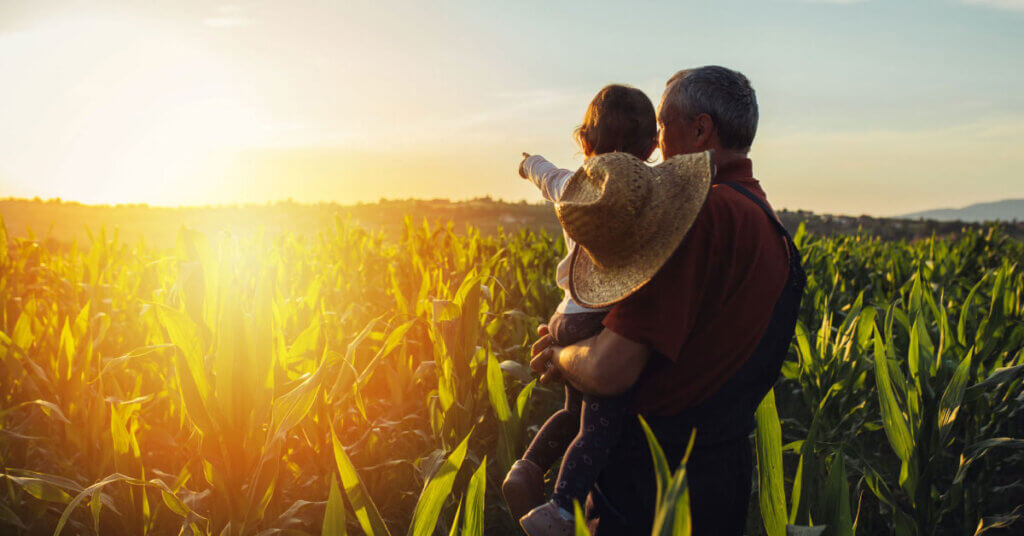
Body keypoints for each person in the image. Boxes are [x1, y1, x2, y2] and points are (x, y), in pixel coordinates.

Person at [529, 65, 806, 536]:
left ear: (700, 129)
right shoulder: (771, 229)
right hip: (720, 486)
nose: (655, 145)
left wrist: (560, 355)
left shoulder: (696, 219)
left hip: (649, 492)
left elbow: (608, 369)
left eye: (662, 125)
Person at [503, 84, 660, 535]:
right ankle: (562, 506)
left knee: (572, 414)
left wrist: (527, 163)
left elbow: (544, 174)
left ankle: (528, 467)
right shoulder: (645, 200)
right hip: (599, 318)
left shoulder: (571, 186)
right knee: (599, 425)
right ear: (651, 147)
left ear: (586, 143)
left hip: (566, 315)